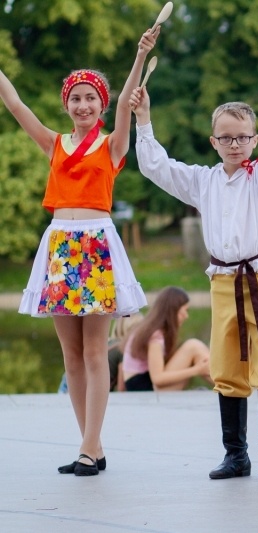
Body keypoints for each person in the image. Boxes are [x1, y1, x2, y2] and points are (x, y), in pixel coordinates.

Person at [131, 73, 258, 480]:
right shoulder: (203, 180)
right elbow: (158, 167)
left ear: (254, 139)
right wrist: (144, 119)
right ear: (214, 142)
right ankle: (235, 454)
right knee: (226, 364)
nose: (234, 145)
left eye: (242, 137)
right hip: (224, 281)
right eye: (226, 138)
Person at [2, 28, 157, 476]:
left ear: (102, 104)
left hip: (96, 247)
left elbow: (131, 95)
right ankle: (92, 446)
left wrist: (139, 53)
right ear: (66, 104)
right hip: (59, 248)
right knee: (70, 356)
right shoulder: (53, 142)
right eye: (76, 98)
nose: (83, 105)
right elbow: (14, 104)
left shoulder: (112, 145)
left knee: (93, 353)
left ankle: (90, 448)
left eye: (91, 98)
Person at [121, 286, 211, 391]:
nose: (186, 316)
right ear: (173, 310)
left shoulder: (153, 330)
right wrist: (196, 370)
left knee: (195, 349)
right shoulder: (155, 335)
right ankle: (226, 386)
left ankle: (225, 386)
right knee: (193, 346)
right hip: (145, 390)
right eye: (185, 310)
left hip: (145, 385)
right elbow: (157, 378)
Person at [57, 313, 143, 394]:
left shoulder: (109, 342)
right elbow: (122, 388)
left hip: (67, 386)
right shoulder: (122, 350)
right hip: (81, 389)